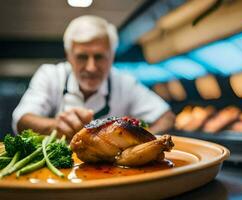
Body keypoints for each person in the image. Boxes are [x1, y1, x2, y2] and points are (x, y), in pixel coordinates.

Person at [12, 15, 175, 140]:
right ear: (69, 56)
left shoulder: (125, 83)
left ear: (111, 57)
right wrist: (56, 125)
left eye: (99, 57)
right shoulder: (50, 75)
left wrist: (137, 143)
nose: (91, 67)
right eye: (82, 57)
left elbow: (166, 117)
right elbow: (22, 120)